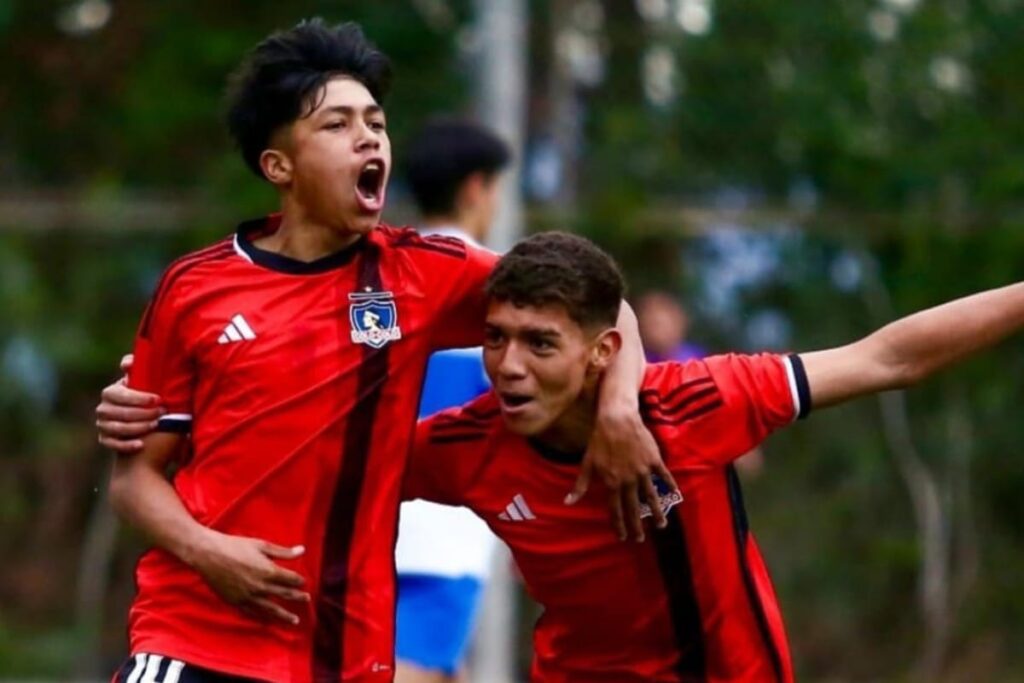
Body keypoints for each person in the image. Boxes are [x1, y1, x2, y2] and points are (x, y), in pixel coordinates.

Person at [104, 231, 1024, 681]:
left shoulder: (695, 404)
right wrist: (172, 396)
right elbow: (313, 452)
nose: (505, 363)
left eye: (538, 343)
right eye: (494, 338)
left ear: (599, 354)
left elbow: (887, 356)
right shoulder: (463, 449)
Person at [93, 19, 671, 683]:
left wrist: (621, 409)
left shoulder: (421, 274)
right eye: (337, 124)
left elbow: (600, 306)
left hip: (344, 653)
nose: (368, 135)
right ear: (278, 165)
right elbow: (136, 479)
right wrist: (209, 550)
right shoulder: (194, 287)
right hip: (194, 637)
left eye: (376, 121)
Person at [392, 119, 510, 683]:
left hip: (358, 530)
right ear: (474, 190)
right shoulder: (500, 294)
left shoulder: (376, 281)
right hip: (444, 544)